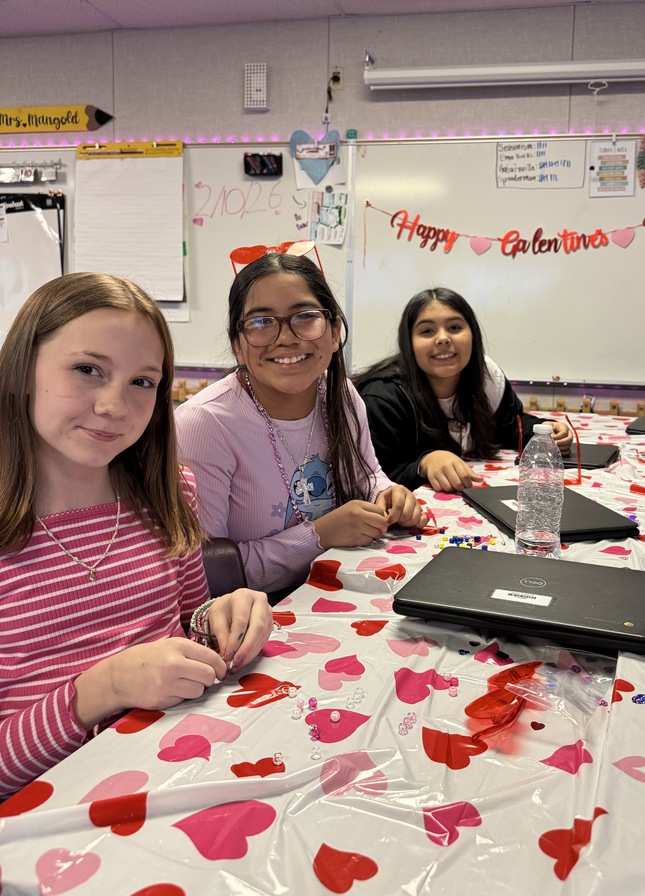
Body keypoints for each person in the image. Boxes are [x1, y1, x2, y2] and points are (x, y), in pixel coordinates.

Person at [0, 273, 271, 799]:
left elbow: (190, 627)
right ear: (21, 369)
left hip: (180, 776)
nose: (114, 406)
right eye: (87, 370)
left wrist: (222, 619)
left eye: (142, 382)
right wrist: (101, 690)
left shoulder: (169, 495)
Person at [175, 253, 428, 598]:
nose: (286, 338)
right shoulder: (204, 425)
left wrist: (385, 494)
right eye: (261, 322)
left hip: (339, 592)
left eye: (305, 317)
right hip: (258, 618)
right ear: (237, 345)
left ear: (335, 330)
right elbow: (205, 577)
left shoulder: (339, 393)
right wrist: (318, 536)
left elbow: (366, 474)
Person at [354, 287, 573, 492]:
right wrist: (424, 463)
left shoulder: (486, 376)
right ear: (408, 343)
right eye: (427, 331)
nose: (443, 338)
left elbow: (508, 424)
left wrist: (542, 430)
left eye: (455, 328)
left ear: (473, 335)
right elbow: (373, 480)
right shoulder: (383, 397)